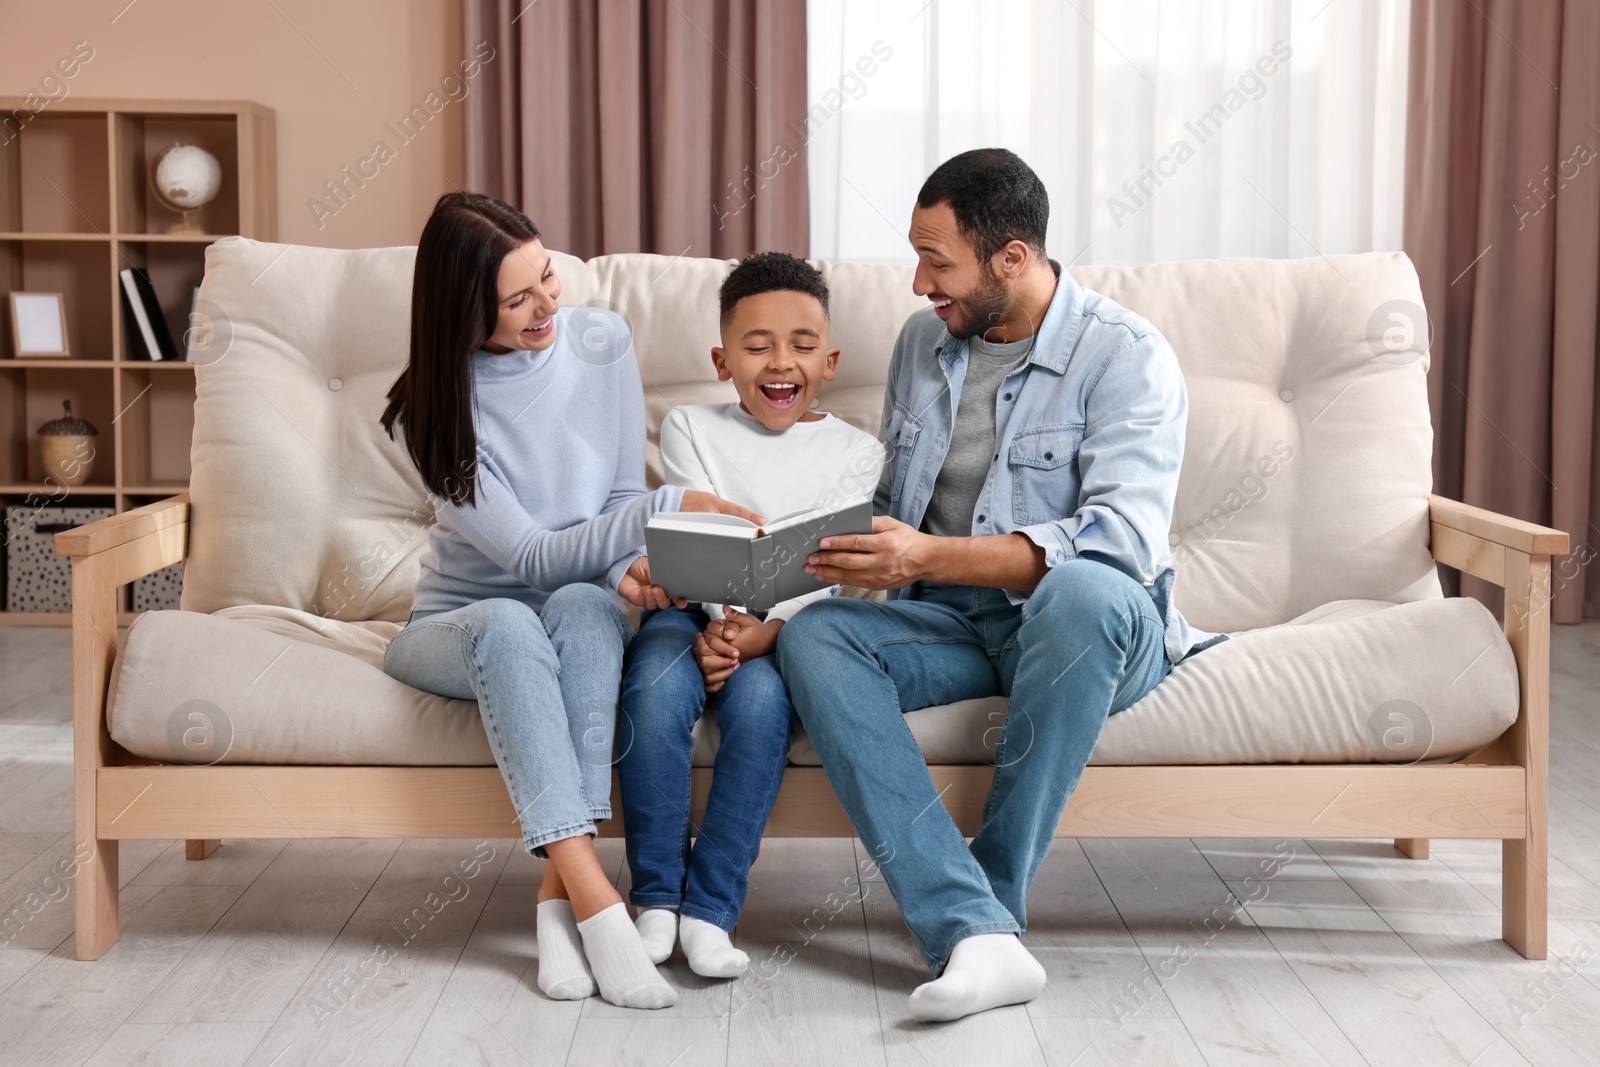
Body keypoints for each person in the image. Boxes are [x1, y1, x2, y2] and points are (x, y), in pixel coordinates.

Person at [777, 149, 1227, 1022]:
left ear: (1012, 258)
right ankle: (977, 936)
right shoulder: (924, 344)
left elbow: (1118, 545)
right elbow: (888, 505)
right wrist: (777, 563)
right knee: (816, 638)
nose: (918, 283)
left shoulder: (1126, 356)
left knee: (1081, 593)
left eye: (937, 261)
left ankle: (990, 904)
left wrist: (924, 559)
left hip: (1088, 630)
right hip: (948, 624)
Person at [378, 191, 762, 1009]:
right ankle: (597, 903)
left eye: (548, 276)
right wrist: (666, 509)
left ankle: (555, 903)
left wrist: (633, 565)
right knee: (516, 617)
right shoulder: (433, 407)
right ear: (462, 312)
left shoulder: (602, 339)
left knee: (589, 612)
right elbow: (529, 556)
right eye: (518, 299)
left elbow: (616, 496)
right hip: (456, 626)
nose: (548, 304)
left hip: (573, 600)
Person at [618, 252, 884, 979]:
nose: (780, 362)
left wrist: (761, 632)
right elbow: (697, 532)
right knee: (654, 687)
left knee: (763, 706)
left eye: (802, 345)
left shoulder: (859, 453)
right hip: (686, 611)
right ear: (722, 358)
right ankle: (655, 900)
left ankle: (709, 909)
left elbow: (834, 565)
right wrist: (720, 621)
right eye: (757, 344)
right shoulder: (688, 426)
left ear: (828, 361)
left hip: (781, 633)